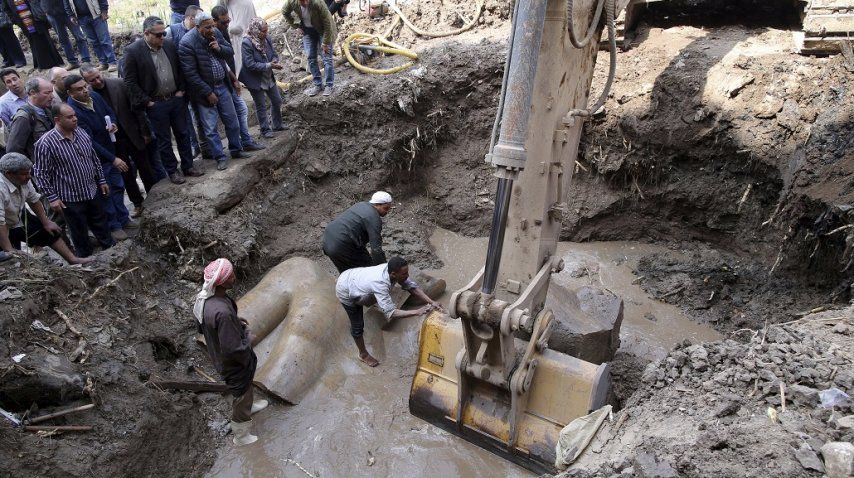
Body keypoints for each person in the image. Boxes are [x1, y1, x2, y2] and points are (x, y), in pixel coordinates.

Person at [194, 258, 268, 445]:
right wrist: (249, 339)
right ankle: (241, 433)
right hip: (232, 363)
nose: (234, 277)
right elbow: (233, 349)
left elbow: (204, 326)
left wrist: (234, 323)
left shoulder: (207, 299)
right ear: (221, 282)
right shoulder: (222, 312)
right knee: (241, 392)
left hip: (220, 353)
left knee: (246, 385)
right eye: (230, 275)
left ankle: (249, 406)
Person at [123, 16, 201, 184]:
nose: (162, 37)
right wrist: (147, 102)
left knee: (183, 133)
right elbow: (129, 81)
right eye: (158, 35)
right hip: (156, 103)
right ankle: (172, 171)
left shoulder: (169, 45)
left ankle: (188, 166)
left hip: (175, 98)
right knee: (164, 139)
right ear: (146, 33)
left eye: (164, 33)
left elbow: (180, 69)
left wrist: (181, 90)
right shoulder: (133, 51)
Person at [33, 103, 114, 257]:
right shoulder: (45, 143)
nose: (75, 119)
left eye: (75, 115)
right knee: (79, 231)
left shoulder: (81, 132)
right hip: (69, 197)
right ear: (57, 119)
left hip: (91, 190)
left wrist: (102, 180)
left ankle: (112, 252)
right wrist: (52, 197)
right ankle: (85, 260)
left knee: (101, 224)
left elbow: (93, 158)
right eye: (70, 117)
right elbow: (41, 174)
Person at [80, 64, 166, 209]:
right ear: (86, 81)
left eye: (98, 77)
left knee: (145, 167)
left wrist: (145, 132)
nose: (98, 81)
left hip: (133, 134)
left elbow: (137, 110)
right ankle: (138, 203)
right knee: (126, 174)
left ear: (100, 72)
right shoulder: (87, 95)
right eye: (92, 80)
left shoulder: (119, 83)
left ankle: (155, 199)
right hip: (112, 141)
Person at [65, 74, 137, 241]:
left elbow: (110, 112)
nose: (84, 91)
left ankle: (123, 218)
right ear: (70, 93)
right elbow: (88, 142)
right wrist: (113, 158)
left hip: (110, 148)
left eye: (85, 87)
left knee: (118, 186)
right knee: (106, 192)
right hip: (96, 159)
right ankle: (114, 225)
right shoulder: (73, 112)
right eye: (79, 89)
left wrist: (113, 123)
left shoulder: (95, 96)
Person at [335, 256, 442, 366]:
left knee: (380, 299)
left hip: (352, 275)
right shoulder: (380, 283)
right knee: (357, 325)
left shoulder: (393, 269)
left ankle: (377, 300)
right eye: (404, 274)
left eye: (407, 272)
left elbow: (412, 288)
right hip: (345, 289)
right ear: (393, 274)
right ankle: (363, 354)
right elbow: (391, 313)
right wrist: (417, 312)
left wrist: (431, 302)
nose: (408, 276)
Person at [179, 11, 249, 171]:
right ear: (197, 27)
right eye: (207, 27)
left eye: (212, 26)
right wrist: (207, 92)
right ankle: (220, 157)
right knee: (210, 128)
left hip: (222, 85)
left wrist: (219, 48)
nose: (212, 29)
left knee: (232, 121)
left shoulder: (216, 32)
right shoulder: (186, 43)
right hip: (204, 92)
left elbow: (229, 52)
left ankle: (236, 150)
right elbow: (190, 74)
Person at [0, 152, 93, 264]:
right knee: (9, 257)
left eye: (29, 173)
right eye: (24, 174)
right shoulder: (1, 188)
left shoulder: (23, 179)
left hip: (16, 215)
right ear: (9, 174)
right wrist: (8, 250)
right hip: (2, 223)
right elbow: (0, 223)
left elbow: (34, 200)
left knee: (49, 231)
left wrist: (46, 222)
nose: (29, 176)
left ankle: (73, 259)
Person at [209, 6, 265, 152]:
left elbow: (229, 54)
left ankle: (243, 142)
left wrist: (234, 78)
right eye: (224, 22)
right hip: (219, 84)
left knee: (241, 110)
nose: (227, 24)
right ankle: (238, 145)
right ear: (214, 21)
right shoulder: (213, 34)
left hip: (229, 79)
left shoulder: (221, 31)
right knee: (236, 112)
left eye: (228, 21)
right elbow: (221, 60)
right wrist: (233, 79)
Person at [322, 191, 393, 273]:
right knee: (368, 272)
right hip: (342, 244)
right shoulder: (373, 218)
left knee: (347, 274)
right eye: (386, 208)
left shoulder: (360, 205)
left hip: (328, 241)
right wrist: (384, 270)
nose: (387, 212)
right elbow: (376, 250)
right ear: (377, 204)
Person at [240, 18, 287, 139]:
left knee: (277, 100)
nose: (266, 33)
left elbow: (274, 54)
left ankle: (277, 124)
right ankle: (265, 129)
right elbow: (250, 64)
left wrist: (275, 60)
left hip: (267, 76)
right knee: (260, 105)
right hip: (255, 79)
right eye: (263, 31)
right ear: (256, 30)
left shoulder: (267, 39)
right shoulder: (246, 43)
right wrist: (269, 65)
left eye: (266, 31)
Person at [282, 0, 336, 97]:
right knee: (311, 57)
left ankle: (329, 85)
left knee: (326, 57)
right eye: (303, 1)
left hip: (323, 29)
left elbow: (327, 22)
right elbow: (284, 11)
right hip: (308, 31)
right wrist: (295, 25)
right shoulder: (292, 2)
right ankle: (318, 85)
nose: (306, 2)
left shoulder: (318, 2)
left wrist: (325, 42)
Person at [1, 0, 63, 70]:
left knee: (44, 38)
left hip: (36, 17)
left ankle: (52, 62)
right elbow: (7, 9)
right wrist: (14, 20)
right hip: (23, 21)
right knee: (33, 40)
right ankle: (40, 64)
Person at [6, 78, 55, 158]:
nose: (52, 96)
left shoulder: (49, 110)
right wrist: (31, 168)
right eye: (47, 93)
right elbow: (13, 150)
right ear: (33, 93)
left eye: (52, 92)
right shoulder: (23, 117)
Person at [64, 0, 118, 72]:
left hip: (97, 15)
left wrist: (104, 10)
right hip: (81, 18)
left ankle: (112, 62)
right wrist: (71, 15)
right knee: (94, 42)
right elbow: (66, 3)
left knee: (104, 40)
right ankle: (103, 63)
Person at [44, 0, 90, 69]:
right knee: (63, 39)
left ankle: (86, 60)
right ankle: (72, 62)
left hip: (67, 12)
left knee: (79, 36)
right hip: (52, 14)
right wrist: (44, 10)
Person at [216, 0, 255, 77]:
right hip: (234, 42)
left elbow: (250, 25)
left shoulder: (245, 4)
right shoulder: (225, 5)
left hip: (244, 39)